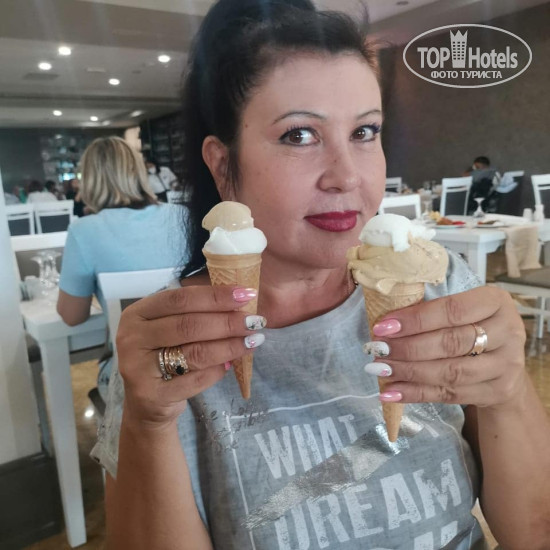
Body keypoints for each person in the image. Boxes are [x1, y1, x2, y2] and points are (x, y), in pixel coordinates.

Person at [94, 2, 550, 549]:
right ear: (223, 165)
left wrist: (507, 392)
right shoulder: (168, 350)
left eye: (365, 131)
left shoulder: (441, 290)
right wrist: (147, 424)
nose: (347, 176)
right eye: (299, 135)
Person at [57, 136, 189, 398]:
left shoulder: (84, 231)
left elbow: (72, 316)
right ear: (139, 171)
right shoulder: (182, 216)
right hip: (191, 370)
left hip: (131, 381)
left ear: (90, 179)